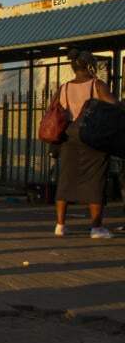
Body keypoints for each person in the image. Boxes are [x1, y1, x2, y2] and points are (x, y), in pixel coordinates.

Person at [54, 48, 118, 238]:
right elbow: (112, 104)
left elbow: (57, 107)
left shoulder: (64, 87)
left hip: (69, 137)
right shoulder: (97, 85)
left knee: (66, 180)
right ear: (90, 66)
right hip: (92, 136)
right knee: (95, 180)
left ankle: (60, 225)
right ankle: (96, 228)